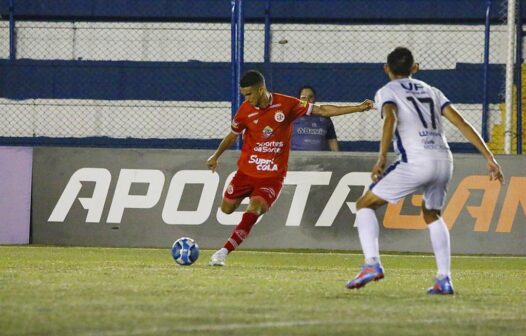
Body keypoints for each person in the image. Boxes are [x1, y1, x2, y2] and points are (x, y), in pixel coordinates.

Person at [345, 47, 504, 294]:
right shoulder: (433, 91)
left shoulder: (387, 91)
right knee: (432, 215)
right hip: (444, 160)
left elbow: (390, 119)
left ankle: (372, 264)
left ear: (387, 69)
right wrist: (489, 157)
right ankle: (444, 278)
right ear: (415, 68)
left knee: (365, 205)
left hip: (417, 161)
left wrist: (382, 157)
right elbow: (461, 122)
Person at [207, 70, 374, 266]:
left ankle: (223, 252)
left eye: (249, 94)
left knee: (255, 208)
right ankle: (227, 243)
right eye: (244, 94)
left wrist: (357, 108)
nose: (247, 98)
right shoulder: (245, 110)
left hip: (272, 176)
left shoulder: (287, 104)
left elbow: (322, 110)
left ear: (261, 89)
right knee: (226, 209)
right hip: (245, 172)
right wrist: (216, 155)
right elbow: (233, 135)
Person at [291, 86, 339, 151]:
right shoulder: (292, 116)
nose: (307, 100)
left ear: (315, 99)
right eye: (303, 98)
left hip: (320, 157)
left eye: (310, 97)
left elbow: (332, 139)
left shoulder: (325, 117)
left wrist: (337, 157)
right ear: (299, 100)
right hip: (297, 157)